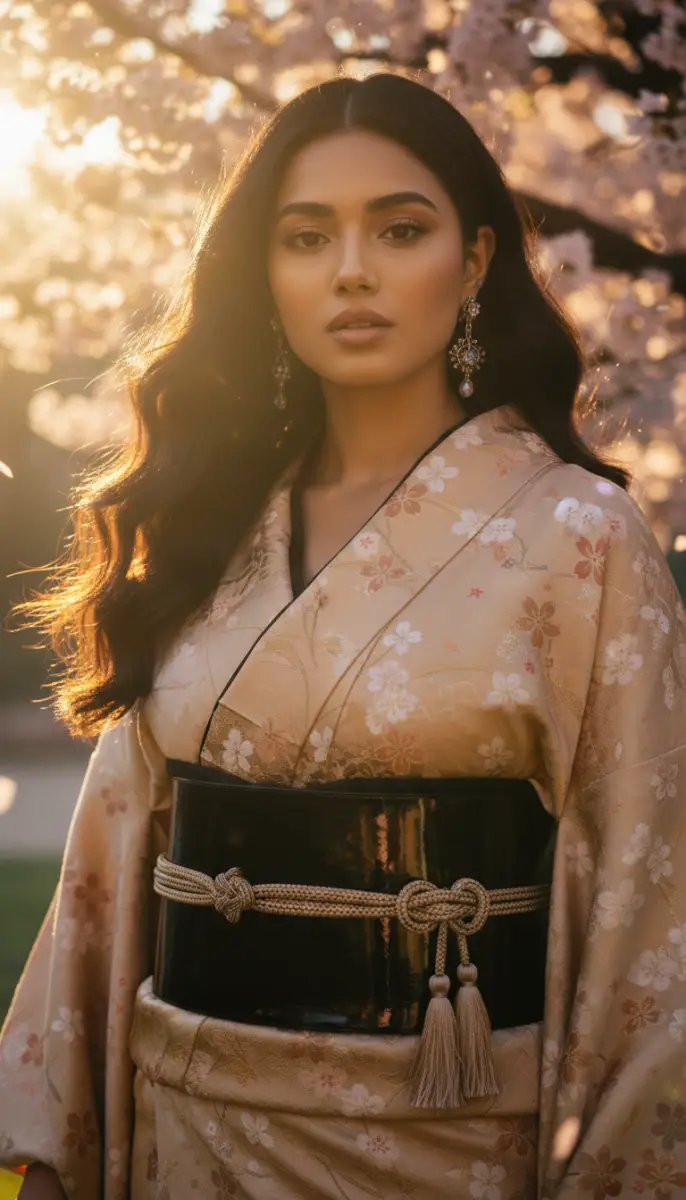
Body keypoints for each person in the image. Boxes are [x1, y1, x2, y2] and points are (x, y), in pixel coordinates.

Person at [1, 71, 685, 1200]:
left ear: (471, 262)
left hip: (445, 1140)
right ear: (263, 276)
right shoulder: (207, 522)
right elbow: (112, 860)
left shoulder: (581, 536)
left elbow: (648, 902)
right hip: (192, 1122)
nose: (351, 271)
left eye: (399, 230)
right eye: (306, 237)